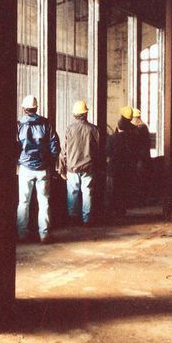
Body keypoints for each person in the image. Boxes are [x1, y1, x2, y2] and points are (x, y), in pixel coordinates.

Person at [16, 94, 60, 243]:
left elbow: (14, 147)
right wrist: (50, 163)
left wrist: (19, 161)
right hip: (43, 168)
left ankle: (21, 234)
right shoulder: (46, 124)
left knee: (23, 202)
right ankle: (44, 234)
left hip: (25, 168)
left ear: (23, 109)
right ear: (36, 107)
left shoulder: (19, 124)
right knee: (44, 202)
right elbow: (55, 146)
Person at [59, 100, 100, 225]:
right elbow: (97, 149)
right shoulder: (93, 129)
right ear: (85, 114)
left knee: (72, 193)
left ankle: (73, 218)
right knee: (87, 192)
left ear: (74, 114)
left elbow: (64, 150)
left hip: (72, 167)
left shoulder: (69, 129)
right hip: (88, 167)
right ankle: (87, 220)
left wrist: (62, 168)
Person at [107, 107, 136, 216]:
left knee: (114, 189)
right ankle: (121, 210)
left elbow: (107, 152)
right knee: (124, 189)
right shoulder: (133, 134)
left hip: (114, 168)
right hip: (127, 167)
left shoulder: (113, 138)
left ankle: (113, 210)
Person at [131, 108, 152, 204]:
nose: (131, 122)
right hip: (143, 158)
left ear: (137, 119)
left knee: (141, 179)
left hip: (141, 159)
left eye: (132, 119)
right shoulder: (143, 127)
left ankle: (141, 200)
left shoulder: (141, 128)